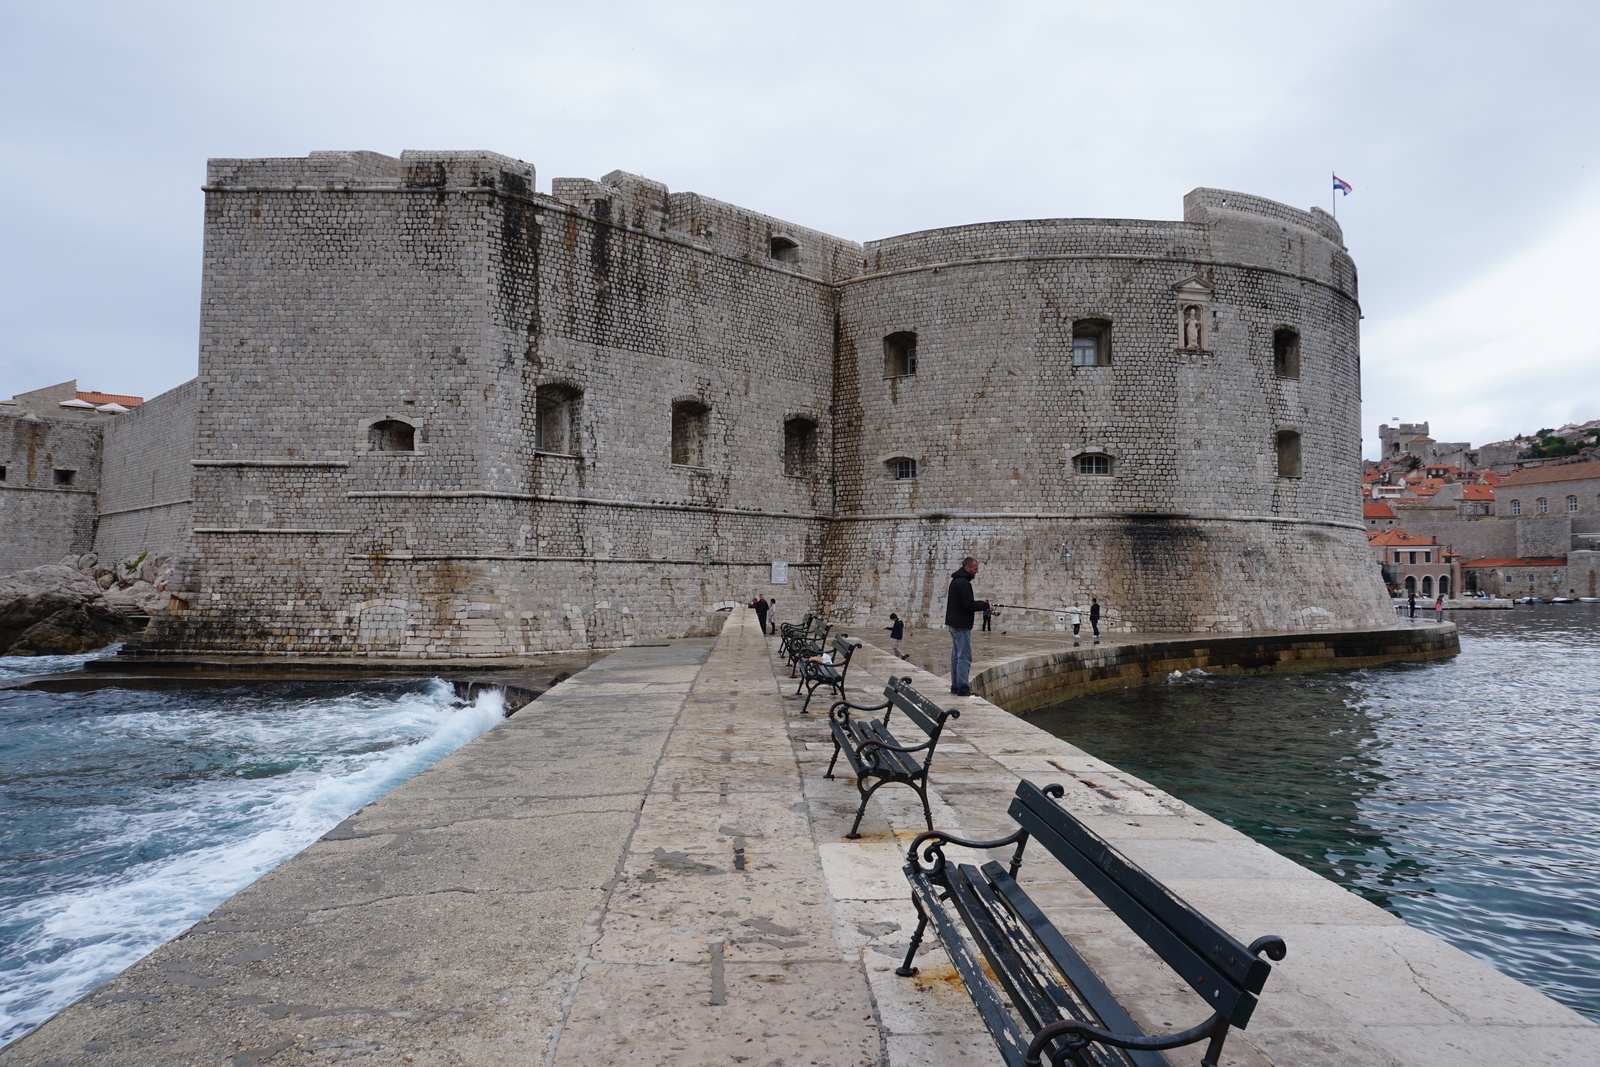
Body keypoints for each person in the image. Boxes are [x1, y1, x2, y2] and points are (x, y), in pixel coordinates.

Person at [944, 557, 991, 697]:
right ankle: (963, 688)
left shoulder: (955, 581)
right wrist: (986, 605)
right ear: (967, 568)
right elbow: (968, 605)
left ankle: (955, 687)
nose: (977, 572)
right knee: (964, 657)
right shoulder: (963, 583)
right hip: (961, 626)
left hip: (953, 624)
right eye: (975, 569)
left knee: (956, 657)